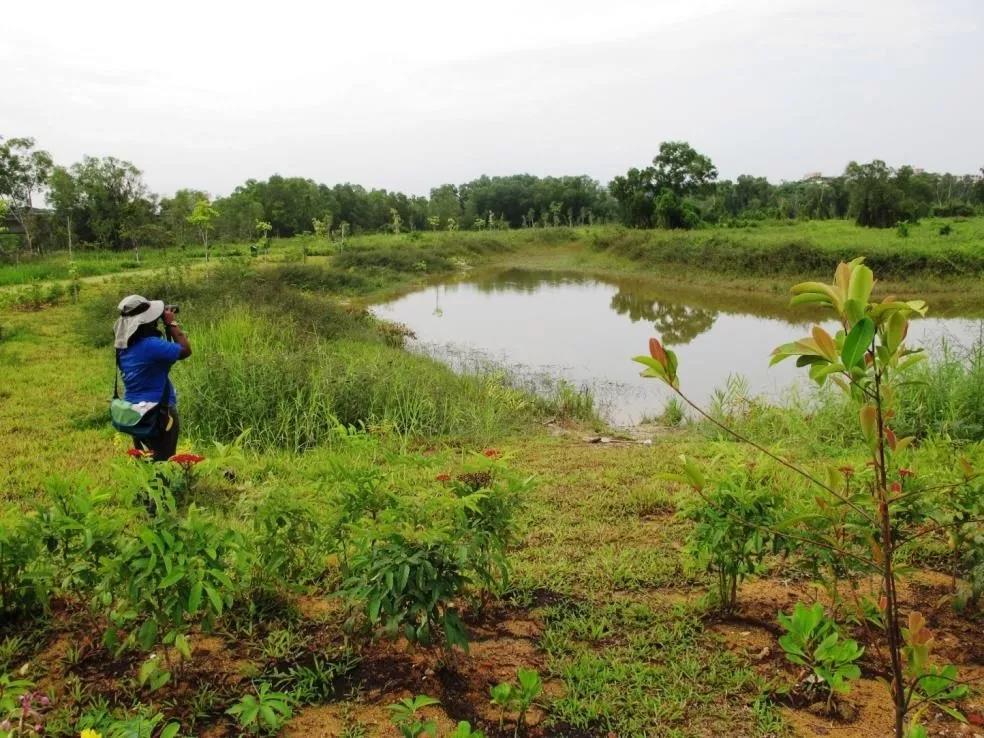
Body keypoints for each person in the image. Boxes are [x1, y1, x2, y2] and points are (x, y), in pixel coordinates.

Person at [113, 295, 192, 460]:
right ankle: (163, 486)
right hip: (158, 413)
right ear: (146, 323)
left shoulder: (123, 347)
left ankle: (146, 486)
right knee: (164, 461)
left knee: (146, 459)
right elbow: (185, 350)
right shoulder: (150, 345)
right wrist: (171, 323)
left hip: (135, 413)